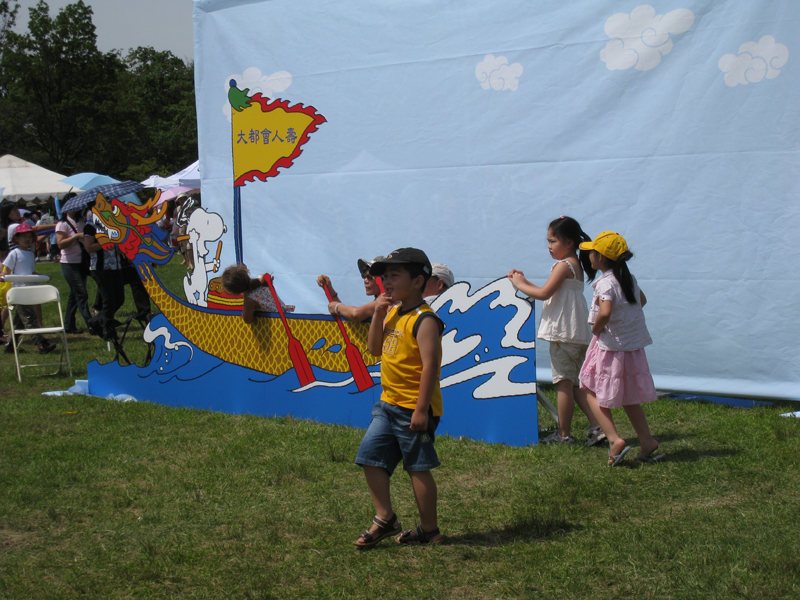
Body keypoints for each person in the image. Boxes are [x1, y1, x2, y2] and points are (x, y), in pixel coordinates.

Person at [354, 247, 444, 547]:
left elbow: (431, 366)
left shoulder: (425, 319)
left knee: (417, 467)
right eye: (385, 277)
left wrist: (421, 410)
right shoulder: (391, 311)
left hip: (413, 409)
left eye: (394, 275)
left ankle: (429, 531)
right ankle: (385, 518)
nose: (387, 282)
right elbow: (375, 349)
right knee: (369, 457)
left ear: (418, 281)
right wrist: (378, 313)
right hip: (388, 404)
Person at [507, 216, 604, 445]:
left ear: (569, 242)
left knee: (563, 383)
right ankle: (597, 427)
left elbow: (543, 294)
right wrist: (524, 281)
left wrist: (518, 283)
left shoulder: (563, 265)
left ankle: (564, 435)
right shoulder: (575, 265)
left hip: (563, 332)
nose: (549, 246)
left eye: (553, 241)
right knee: (578, 384)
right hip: (577, 332)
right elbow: (547, 290)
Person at [578, 231, 664, 466]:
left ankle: (614, 439)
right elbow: (641, 301)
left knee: (589, 389)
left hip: (609, 347)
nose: (589, 256)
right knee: (628, 395)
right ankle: (646, 441)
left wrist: (597, 328)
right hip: (631, 347)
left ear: (601, 258)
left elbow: (605, 312)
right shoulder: (628, 278)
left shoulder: (605, 283)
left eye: (592, 252)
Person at [1, 223, 56, 354]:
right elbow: (6, 270)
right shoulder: (14, 253)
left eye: (29, 237)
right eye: (24, 236)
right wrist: (3, 275)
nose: (27, 239)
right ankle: (41, 343)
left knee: (19, 322)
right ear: (17, 239)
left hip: (30, 291)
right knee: (30, 319)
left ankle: (9, 345)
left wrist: (43, 276)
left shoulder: (30, 254)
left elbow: (31, 272)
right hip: (19, 292)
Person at [55, 208, 95, 334]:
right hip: (69, 263)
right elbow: (60, 244)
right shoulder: (62, 224)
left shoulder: (82, 220)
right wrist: (76, 236)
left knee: (75, 295)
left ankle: (68, 325)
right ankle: (91, 324)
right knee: (81, 294)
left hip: (82, 261)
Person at [83, 221, 125, 340]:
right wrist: (106, 242)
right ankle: (107, 330)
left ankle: (96, 321)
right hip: (100, 268)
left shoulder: (113, 223)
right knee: (109, 300)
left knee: (119, 299)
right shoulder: (90, 226)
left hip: (116, 266)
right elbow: (88, 247)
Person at [317, 255, 384, 321]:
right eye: (364, 276)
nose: (365, 280)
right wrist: (329, 289)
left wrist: (337, 307)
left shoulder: (384, 302)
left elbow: (355, 314)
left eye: (369, 277)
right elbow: (347, 313)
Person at [221, 264, 294, 324]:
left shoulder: (250, 298)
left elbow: (247, 320)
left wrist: (245, 298)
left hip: (278, 322)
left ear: (235, 293)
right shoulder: (261, 279)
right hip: (286, 316)